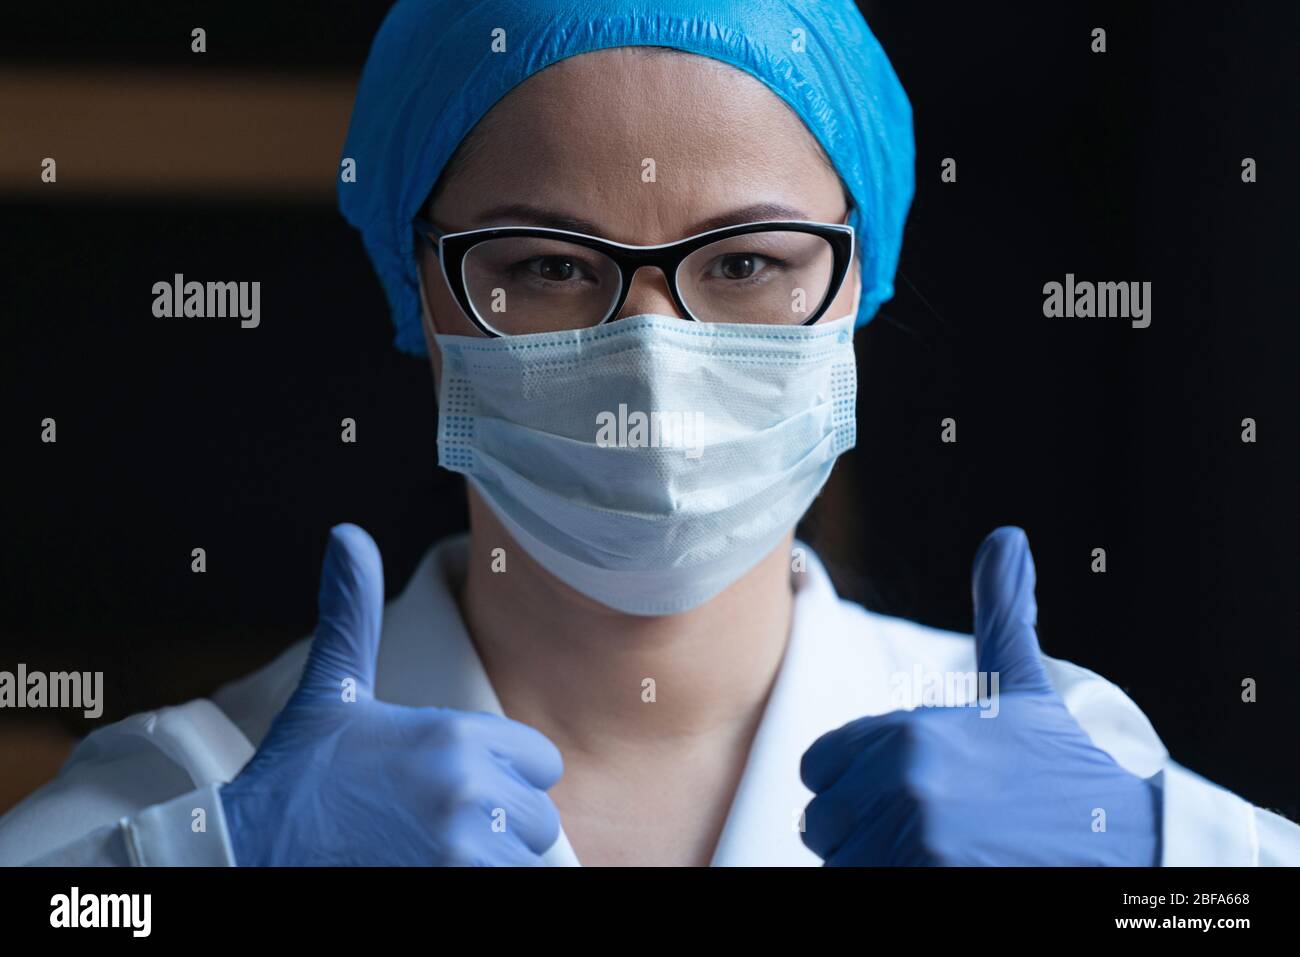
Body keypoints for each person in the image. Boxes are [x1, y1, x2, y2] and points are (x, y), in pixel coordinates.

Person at [2, 0, 1296, 867]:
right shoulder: (204, 790)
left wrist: (1158, 858)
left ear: (858, 285)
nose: (652, 352)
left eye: (745, 263)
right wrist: (198, 863)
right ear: (423, 297)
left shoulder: (1058, 766)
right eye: (549, 266)